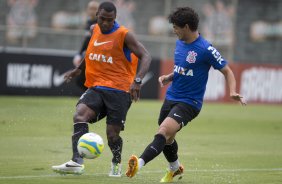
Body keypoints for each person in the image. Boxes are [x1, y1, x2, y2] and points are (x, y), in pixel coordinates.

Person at [125, 7, 246, 182]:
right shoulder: (179, 42)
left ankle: (139, 163)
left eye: (176, 27)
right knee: (167, 138)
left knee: (163, 131)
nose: (173, 30)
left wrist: (233, 91)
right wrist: (169, 76)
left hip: (190, 102)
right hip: (171, 96)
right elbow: (185, 69)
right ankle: (175, 168)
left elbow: (227, 70)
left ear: (187, 27)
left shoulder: (206, 49)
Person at [52, 1, 151, 177]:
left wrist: (137, 80)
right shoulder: (93, 29)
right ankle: (77, 161)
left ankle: (116, 161)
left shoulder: (124, 35)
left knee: (112, 135)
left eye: (110, 20)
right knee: (79, 115)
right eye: (103, 19)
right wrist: (79, 69)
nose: (106, 23)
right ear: (97, 14)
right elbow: (91, 52)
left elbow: (146, 56)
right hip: (97, 86)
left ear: (115, 18)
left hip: (120, 91)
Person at [73, 1, 99, 91]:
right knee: (81, 80)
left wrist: (80, 54)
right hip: (89, 55)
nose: (92, 11)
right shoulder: (89, 22)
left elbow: (91, 41)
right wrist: (79, 54)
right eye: (90, 8)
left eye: (94, 8)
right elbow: (86, 40)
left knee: (82, 80)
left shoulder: (99, 23)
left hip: (97, 56)